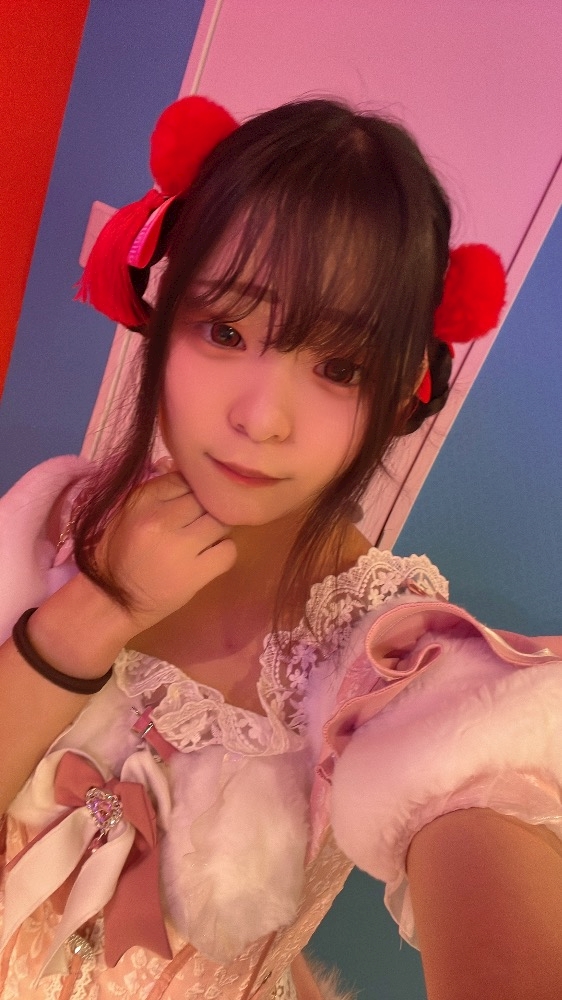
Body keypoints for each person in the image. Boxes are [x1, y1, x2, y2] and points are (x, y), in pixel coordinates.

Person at [0, 95, 561, 1000]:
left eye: (339, 367)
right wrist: (98, 609)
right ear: (162, 318)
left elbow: (482, 806)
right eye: (225, 330)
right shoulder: (52, 521)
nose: (261, 419)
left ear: (400, 393)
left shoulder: (390, 658)